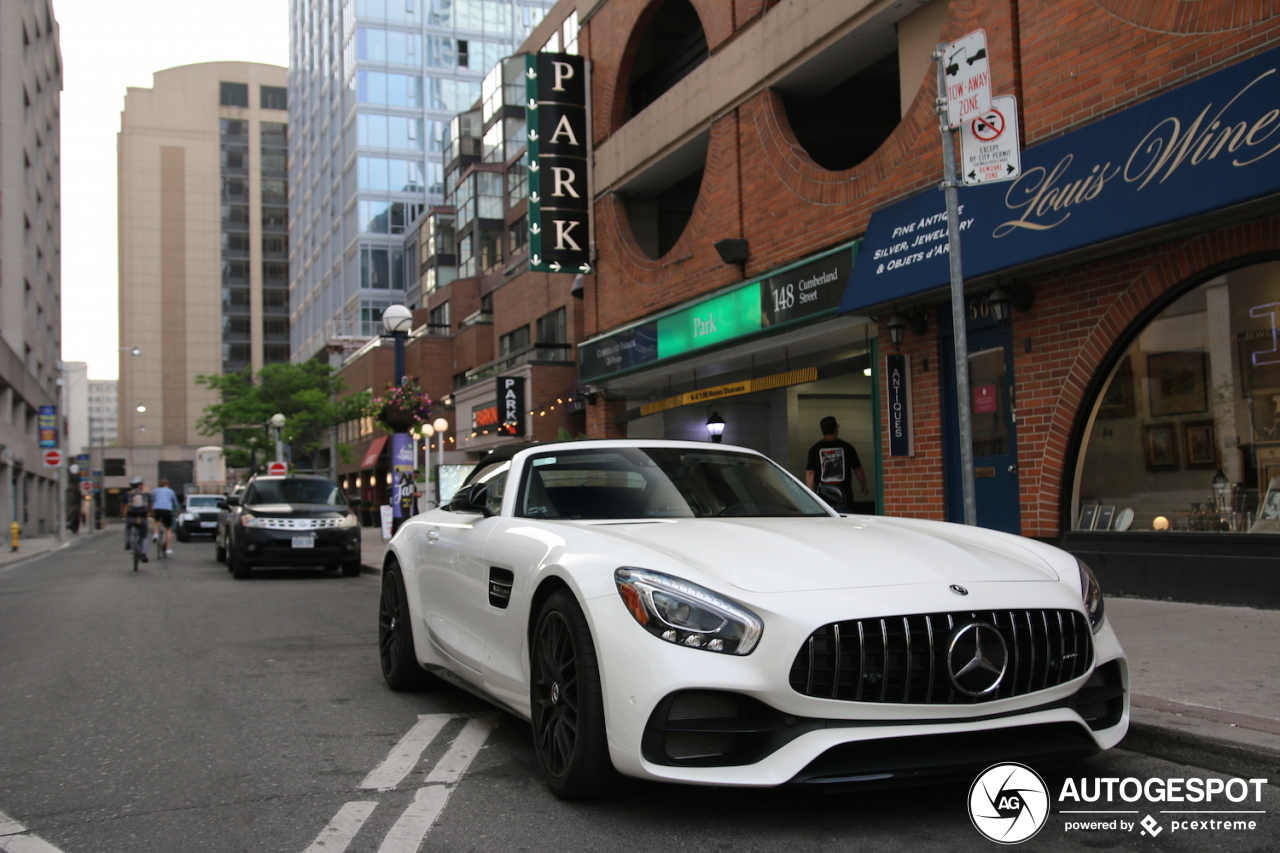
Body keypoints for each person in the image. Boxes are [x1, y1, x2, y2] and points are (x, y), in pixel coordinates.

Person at [805, 416, 868, 511]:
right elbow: (857, 469)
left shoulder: (814, 450)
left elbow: (810, 474)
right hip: (844, 498)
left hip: (823, 500)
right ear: (835, 429)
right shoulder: (847, 448)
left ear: (822, 430)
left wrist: (809, 494)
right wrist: (863, 484)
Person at [121, 476, 151, 562]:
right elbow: (149, 506)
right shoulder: (146, 495)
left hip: (130, 517)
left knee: (128, 528)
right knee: (144, 536)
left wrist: (123, 516)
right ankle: (143, 554)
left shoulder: (127, 495)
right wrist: (151, 514)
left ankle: (127, 542)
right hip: (142, 518)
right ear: (140, 485)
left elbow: (123, 506)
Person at [151, 478, 180, 555]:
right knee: (168, 528)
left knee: (156, 521)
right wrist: (178, 512)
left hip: (157, 509)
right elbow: (175, 503)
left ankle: (156, 534)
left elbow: (152, 501)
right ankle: (168, 548)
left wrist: (152, 511)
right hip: (167, 510)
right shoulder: (171, 491)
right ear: (167, 485)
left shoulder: (155, 491)